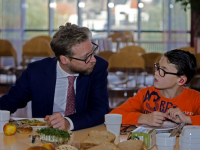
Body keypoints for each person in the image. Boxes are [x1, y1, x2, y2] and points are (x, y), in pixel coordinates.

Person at [0, 22, 109, 131]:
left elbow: (101, 109)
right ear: (64, 59)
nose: (93, 59)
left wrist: (69, 122)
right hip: (45, 136)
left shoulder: (97, 67)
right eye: (86, 57)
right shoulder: (36, 71)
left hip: (83, 131)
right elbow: (9, 102)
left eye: (92, 52)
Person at [110, 49, 200, 126]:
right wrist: (143, 118)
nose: (156, 73)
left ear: (181, 80)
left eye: (163, 71)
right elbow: (112, 116)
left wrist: (187, 119)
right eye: (158, 67)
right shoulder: (145, 94)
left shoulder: (195, 98)